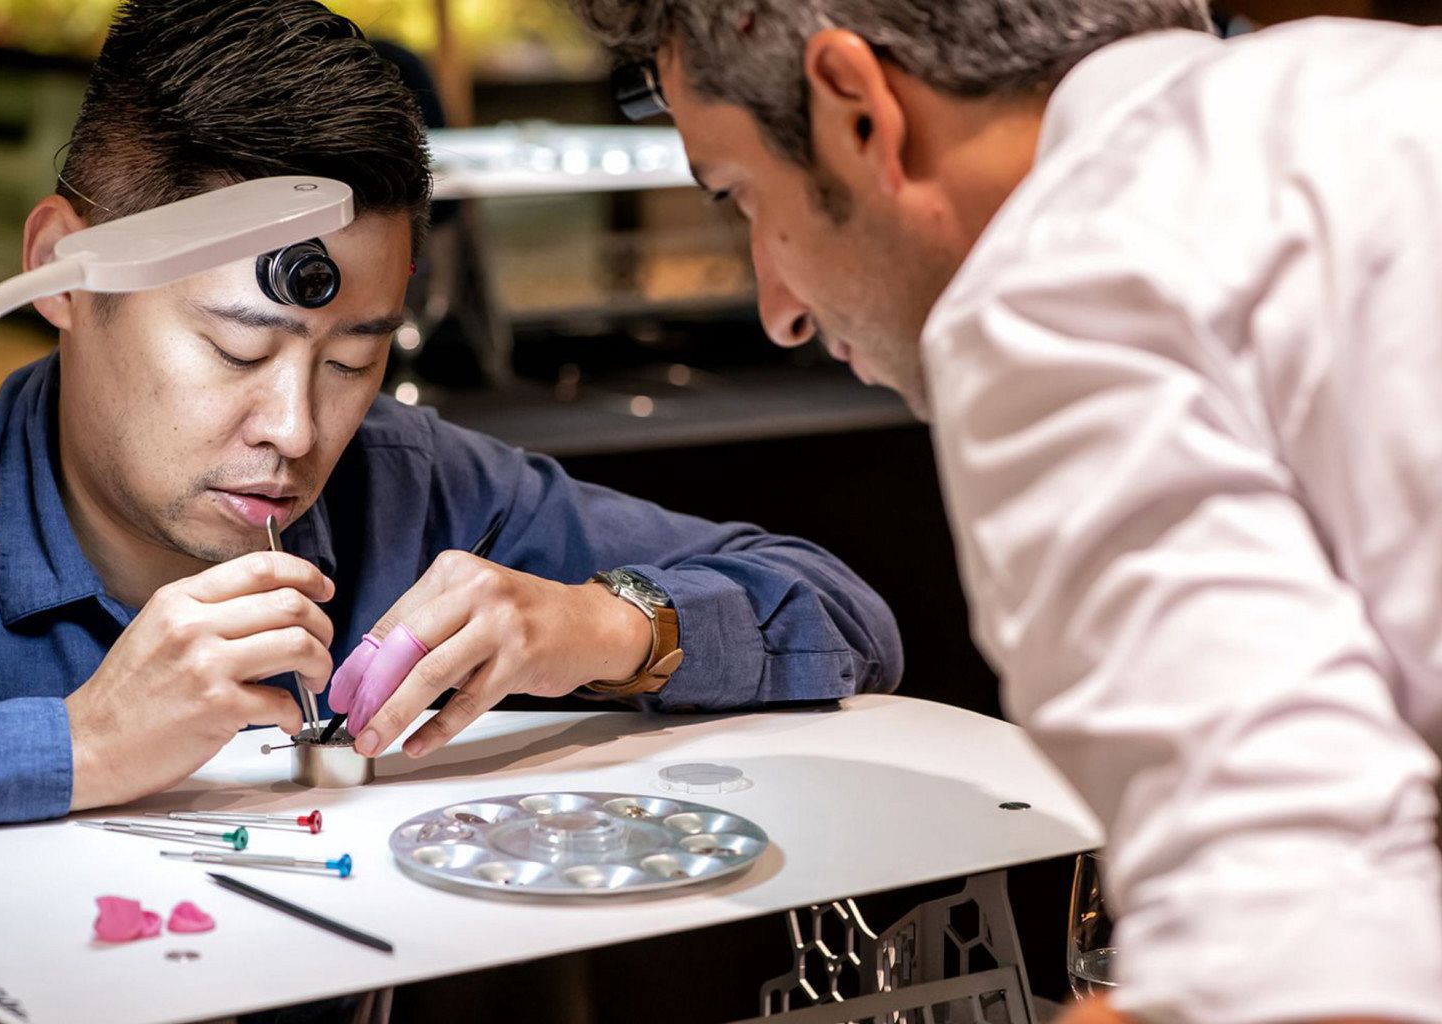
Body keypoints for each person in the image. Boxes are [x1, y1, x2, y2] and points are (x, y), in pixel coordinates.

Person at [568, 2, 1442, 1022]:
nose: (781, 309)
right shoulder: (1390, 89)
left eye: (741, 194)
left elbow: (1292, 967)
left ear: (856, 108)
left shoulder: (1061, 286)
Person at [0, 0, 902, 842]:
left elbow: (839, 613)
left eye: (352, 362)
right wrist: (80, 744)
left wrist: (602, 625)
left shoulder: (413, 487)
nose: (297, 430)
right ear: (62, 275)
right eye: (237, 349)